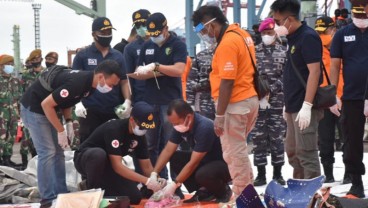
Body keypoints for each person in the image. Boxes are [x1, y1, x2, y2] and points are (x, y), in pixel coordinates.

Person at [20, 60, 122, 208]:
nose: (111, 89)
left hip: (50, 109)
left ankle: (60, 193)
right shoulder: (77, 82)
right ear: (101, 77)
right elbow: (46, 104)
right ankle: (47, 198)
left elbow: (67, 101)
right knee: (47, 152)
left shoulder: (90, 86)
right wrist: (60, 130)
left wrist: (68, 121)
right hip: (35, 108)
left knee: (59, 151)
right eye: (111, 84)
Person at [192, 5, 259, 206]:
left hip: (235, 103)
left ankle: (242, 198)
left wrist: (219, 115)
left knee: (233, 153)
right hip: (248, 99)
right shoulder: (241, 33)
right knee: (239, 150)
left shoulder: (227, 43)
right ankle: (248, 192)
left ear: (211, 25)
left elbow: (227, 81)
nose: (203, 36)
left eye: (202, 31)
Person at [271, 0, 323, 179]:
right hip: (293, 105)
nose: (276, 26)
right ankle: (300, 191)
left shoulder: (308, 36)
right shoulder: (292, 38)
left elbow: (314, 72)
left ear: (289, 19)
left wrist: (307, 105)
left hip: (304, 105)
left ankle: (313, 199)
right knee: (293, 152)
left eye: (278, 22)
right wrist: (288, 104)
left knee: (306, 153)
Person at [74, 101, 164, 205]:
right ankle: (90, 190)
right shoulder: (114, 129)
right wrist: (147, 181)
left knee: (134, 197)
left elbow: (147, 166)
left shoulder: (140, 136)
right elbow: (117, 166)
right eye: (142, 126)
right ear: (132, 120)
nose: (144, 130)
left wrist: (157, 181)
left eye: (147, 128)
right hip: (86, 160)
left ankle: (103, 192)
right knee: (99, 154)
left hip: (108, 166)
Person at [133, 12, 187, 182]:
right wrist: (147, 71)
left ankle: (176, 184)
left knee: (171, 144)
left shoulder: (177, 44)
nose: (155, 37)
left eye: (157, 33)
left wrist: (156, 67)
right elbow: (139, 71)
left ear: (166, 28)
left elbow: (178, 69)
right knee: (150, 145)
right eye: (152, 34)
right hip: (150, 101)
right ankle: (156, 181)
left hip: (171, 102)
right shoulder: (147, 46)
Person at [153, 100, 232, 203]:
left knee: (203, 173)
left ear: (189, 117)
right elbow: (168, 150)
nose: (175, 126)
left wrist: (174, 184)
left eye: (176, 123)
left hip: (223, 164)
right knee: (175, 157)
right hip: (205, 161)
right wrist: (154, 173)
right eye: (173, 124)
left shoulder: (204, 127)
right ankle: (204, 190)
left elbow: (193, 163)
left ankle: (223, 191)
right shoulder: (180, 126)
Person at [329, 2, 368, 198]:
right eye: (358, 13)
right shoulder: (342, 35)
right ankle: (356, 183)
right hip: (352, 97)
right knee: (352, 142)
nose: (362, 17)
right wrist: (333, 94)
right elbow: (335, 66)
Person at [72, 17, 131, 144]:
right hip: (89, 111)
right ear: (94, 34)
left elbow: (124, 81)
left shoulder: (118, 56)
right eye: (103, 33)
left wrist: (127, 101)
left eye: (109, 32)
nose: (107, 36)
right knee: (89, 148)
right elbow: (74, 81)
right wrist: (77, 102)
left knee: (112, 146)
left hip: (112, 110)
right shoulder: (83, 55)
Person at [251, 18, 287, 186]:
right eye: (264, 33)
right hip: (257, 101)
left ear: (275, 33)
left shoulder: (283, 51)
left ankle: (278, 173)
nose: (267, 36)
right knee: (259, 137)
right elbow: (249, 75)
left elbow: (286, 76)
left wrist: (269, 91)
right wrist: (259, 94)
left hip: (277, 100)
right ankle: (261, 174)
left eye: (269, 33)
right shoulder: (253, 52)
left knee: (277, 137)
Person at [314, 16, 344, 183]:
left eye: (324, 32)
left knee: (348, 140)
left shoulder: (344, 47)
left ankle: (349, 175)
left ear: (333, 30)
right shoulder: (315, 49)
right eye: (319, 32)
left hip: (344, 100)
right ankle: (328, 173)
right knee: (325, 140)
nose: (322, 36)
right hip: (325, 101)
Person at [123, 9, 151, 104]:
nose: (141, 28)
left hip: (163, 95)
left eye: (144, 24)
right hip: (141, 97)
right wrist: (130, 100)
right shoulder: (130, 48)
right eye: (137, 25)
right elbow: (129, 76)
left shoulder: (161, 43)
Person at [0, 55, 23, 169]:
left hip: (13, 114)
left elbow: (19, 98)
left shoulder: (15, 81)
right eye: (9, 64)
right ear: (1, 65)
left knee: (11, 136)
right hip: (1, 115)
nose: (11, 66)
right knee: (1, 138)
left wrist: (20, 114)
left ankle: (7, 159)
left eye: (12, 64)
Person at [186, 48, 216, 120]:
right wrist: (190, 104)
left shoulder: (231, 52)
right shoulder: (201, 56)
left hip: (230, 104)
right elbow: (191, 82)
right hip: (206, 105)